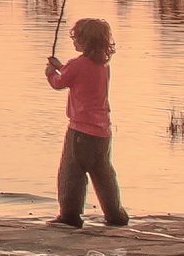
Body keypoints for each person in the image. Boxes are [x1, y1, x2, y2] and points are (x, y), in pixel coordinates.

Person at [44, 18, 128, 228]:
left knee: (71, 172)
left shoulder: (76, 65)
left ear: (85, 41)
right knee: (103, 172)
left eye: (76, 38)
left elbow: (60, 82)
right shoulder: (102, 66)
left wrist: (50, 73)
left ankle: (70, 215)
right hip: (102, 132)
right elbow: (76, 76)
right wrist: (61, 67)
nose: (74, 42)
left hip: (80, 130)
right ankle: (115, 214)